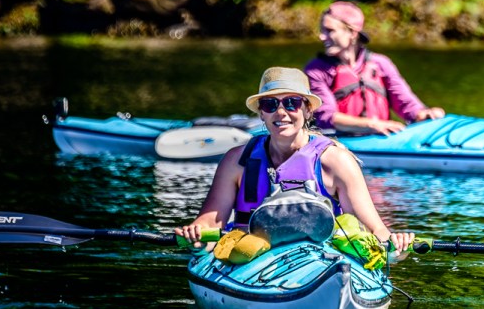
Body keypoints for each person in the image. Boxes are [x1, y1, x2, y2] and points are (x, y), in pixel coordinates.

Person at [175, 66, 414, 257]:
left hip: (320, 260)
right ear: (261, 113)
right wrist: (195, 232)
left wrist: (396, 246)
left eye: (292, 103)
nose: (281, 113)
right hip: (250, 257)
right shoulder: (237, 160)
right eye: (270, 105)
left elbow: (374, 230)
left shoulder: (336, 161)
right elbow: (211, 220)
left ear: (308, 110)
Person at [304, 1, 445, 135]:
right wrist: (372, 125)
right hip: (338, 142)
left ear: (352, 33)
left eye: (329, 30)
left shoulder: (381, 64)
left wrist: (424, 114)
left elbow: (406, 104)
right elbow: (326, 117)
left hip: (379, 139)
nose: (322, 36)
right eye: (322, 30)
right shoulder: (315, 70)